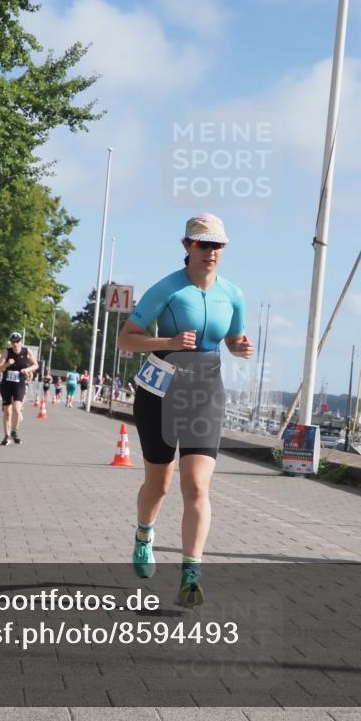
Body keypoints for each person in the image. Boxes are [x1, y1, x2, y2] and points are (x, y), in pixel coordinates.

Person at [118, 213, 253, 607]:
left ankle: (191, 574)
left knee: (196, 485)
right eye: (203, 244)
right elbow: (125, 339)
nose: (211, 251)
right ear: (187, 246)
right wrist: (169, 341)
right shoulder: (168, 289)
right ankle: (144, 534)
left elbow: (232, 338)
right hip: (160, 391)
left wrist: (240, 347)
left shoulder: (234, 294)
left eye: (218, 245)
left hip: (206, 391)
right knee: (159, 484)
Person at [0, 333, 39, 445]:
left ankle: (14, 431)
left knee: (16, 409)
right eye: (13, 342)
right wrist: (7, 364)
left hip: (19, 384)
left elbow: (36, 365)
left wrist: (28, 369)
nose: (15, 344)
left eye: (17, 341)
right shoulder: (7, 352)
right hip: (6, 384)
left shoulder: (27, 352)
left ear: (21, 341)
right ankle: (6, 436)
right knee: (7, 411)